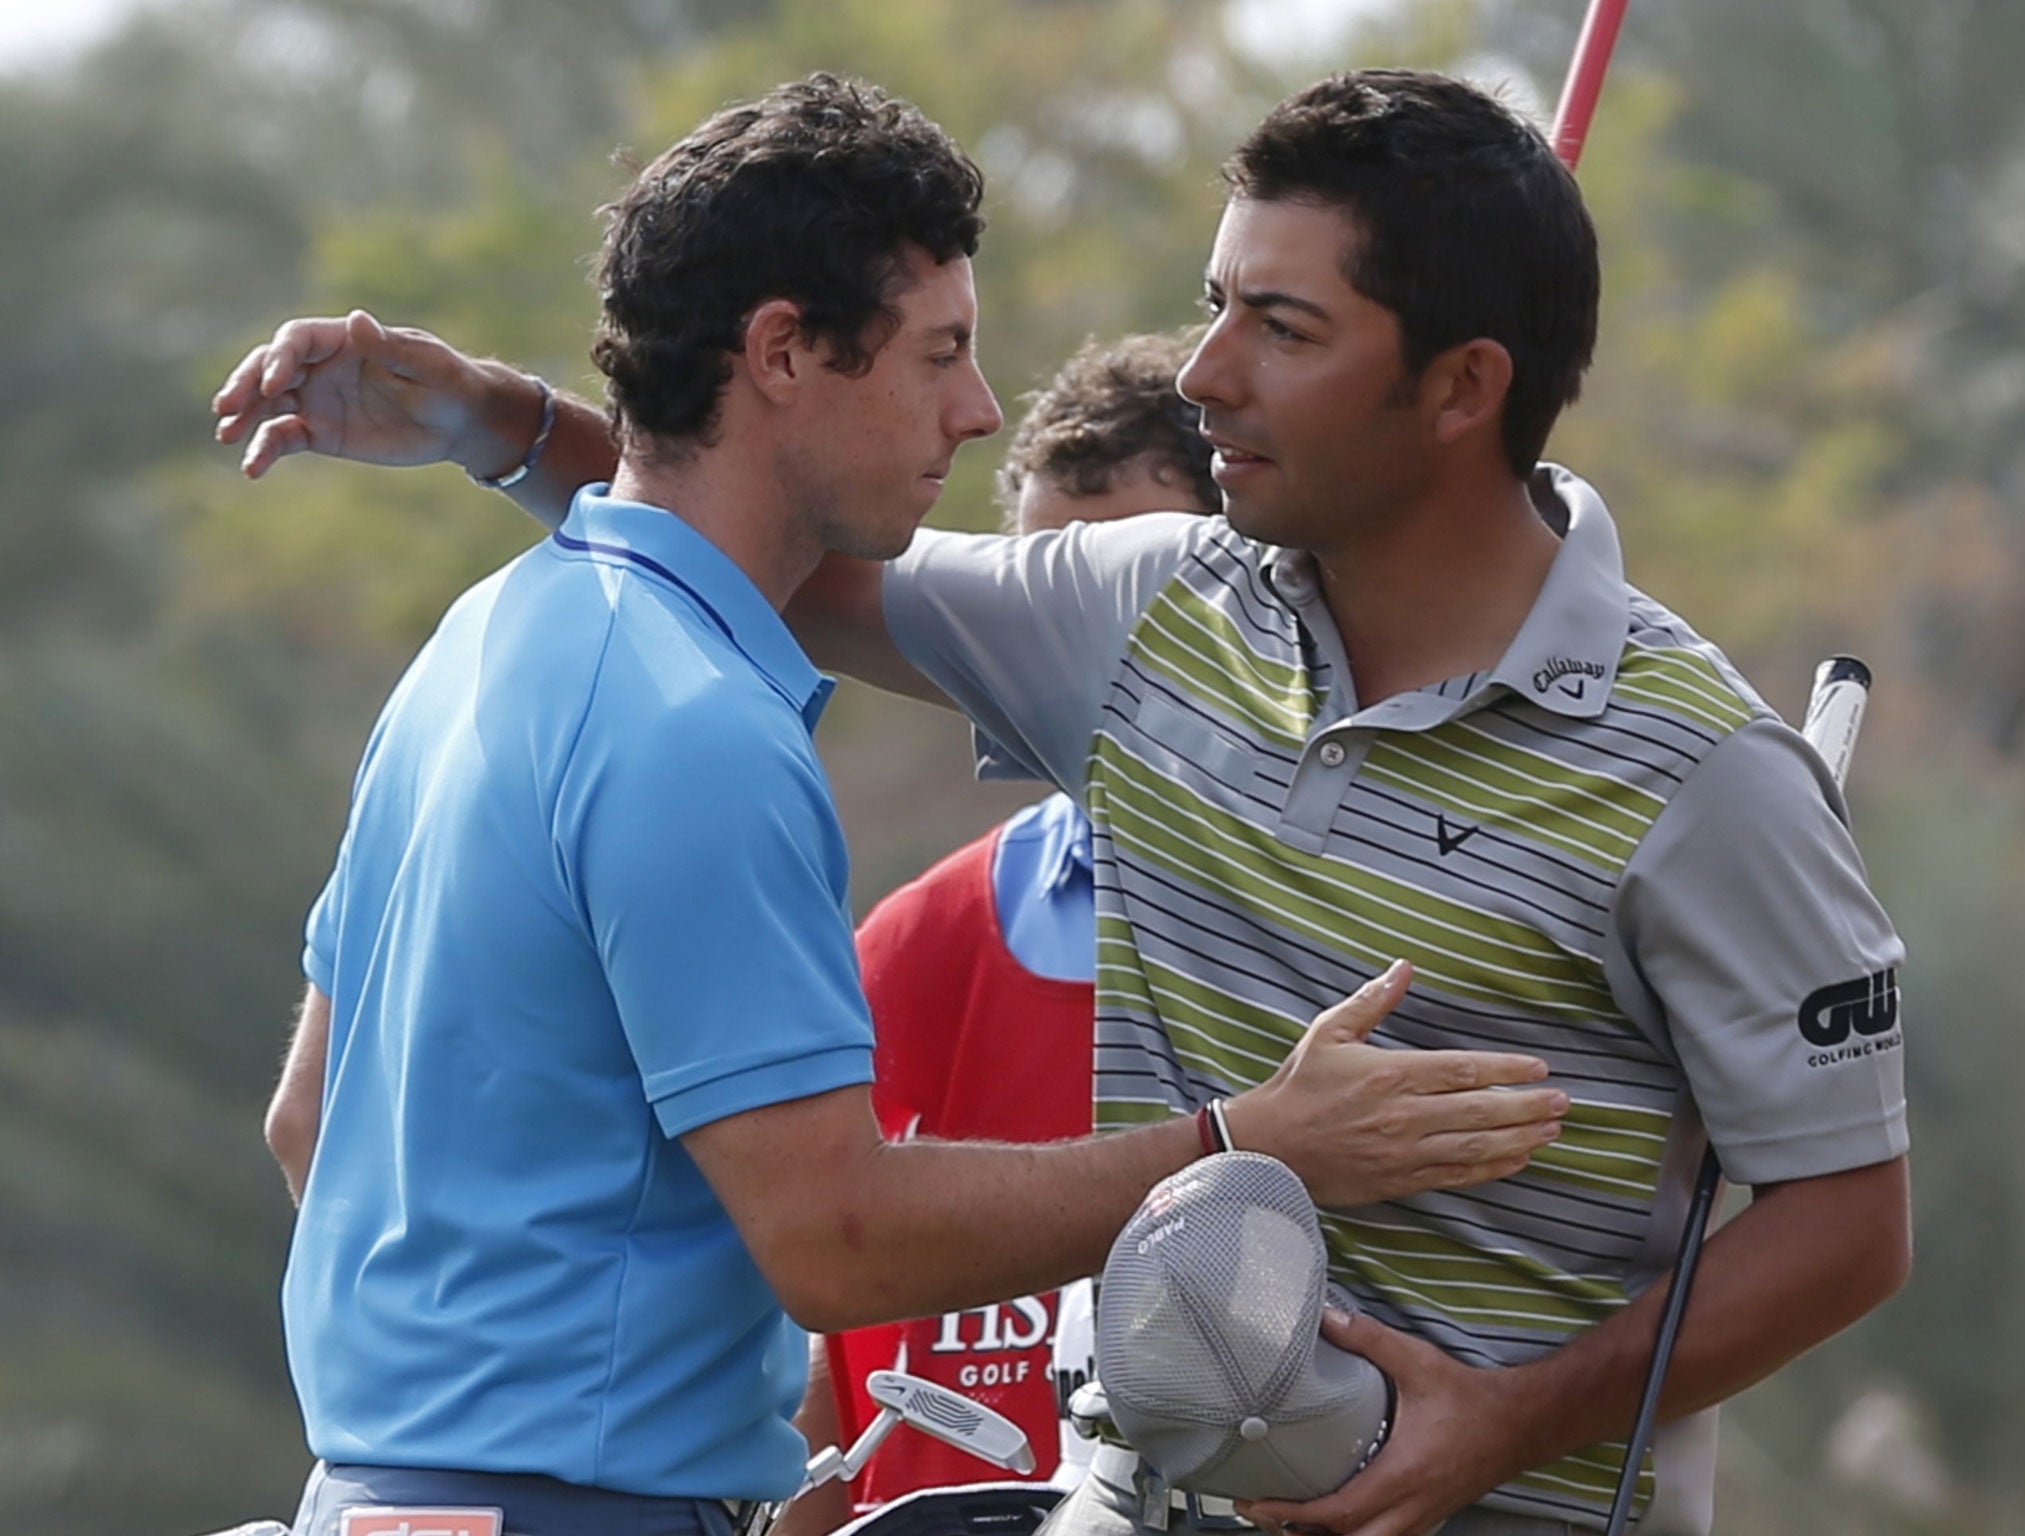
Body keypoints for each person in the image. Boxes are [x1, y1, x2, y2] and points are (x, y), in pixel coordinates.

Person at [216, 68, 1911, 1536]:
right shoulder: (1147, 606)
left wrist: (1519, 1415)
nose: (1202, 374)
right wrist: (505, 422)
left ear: (1462, 387)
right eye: (1215, 302)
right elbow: (776, 543)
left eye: (1281, 328)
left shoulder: (1701, 774)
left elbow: (1847, 1225)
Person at [792, 331, 1223, 1532]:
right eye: (1040, 589)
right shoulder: (920, 937)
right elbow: (811, 1321)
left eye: (1116, 591)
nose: (1067, 655)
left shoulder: (1319, 928)